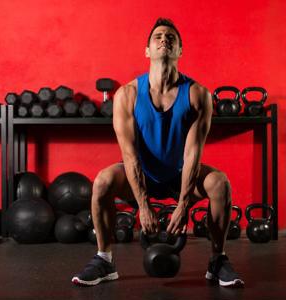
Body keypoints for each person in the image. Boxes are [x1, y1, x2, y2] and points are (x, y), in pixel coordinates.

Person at [71, 18, 244, 287]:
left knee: (220, 183)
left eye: (171, 37)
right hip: (142, 175)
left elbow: (192, 155)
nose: (164, 39)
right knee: (103, 181)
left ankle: (218, 260)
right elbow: (130, 156)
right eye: (158, 37)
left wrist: (184, 204)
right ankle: (104, 259)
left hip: (180, 175)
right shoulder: (127, 95)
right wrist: (143, 205)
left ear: (180, 50)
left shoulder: (198, 95)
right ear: (147, 51)